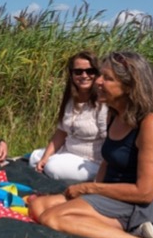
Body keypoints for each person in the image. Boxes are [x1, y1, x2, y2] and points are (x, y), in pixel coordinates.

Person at [29, 52, 153, 238]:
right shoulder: (114, 114)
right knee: (38, 206)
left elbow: (145, 192)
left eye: (107, 78)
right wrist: (90, 195)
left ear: (129, 86)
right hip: (113, 196)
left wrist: (89, 189)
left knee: (52, 217)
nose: (97, 81)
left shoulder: (151, 123)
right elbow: (107, 162)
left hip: (143, 204)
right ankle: (134, 234)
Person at [29, 51, 108, 181]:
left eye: (90, 71)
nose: (84, 75)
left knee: (52, 166)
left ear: (97, 73)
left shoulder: (102, 104)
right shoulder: (71, 100)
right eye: (78, 72)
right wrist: (45, 157)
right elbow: (61, 132)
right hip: (68, 152)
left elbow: (109, 143)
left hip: (90, 162)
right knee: (35, 157)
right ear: (71, 74)